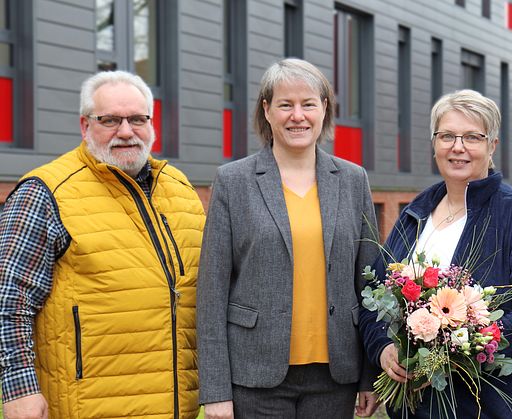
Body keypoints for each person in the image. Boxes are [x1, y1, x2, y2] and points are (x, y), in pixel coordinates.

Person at [0, 70, 206, 418]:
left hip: (176, 407)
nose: (126, 132)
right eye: (110, 120)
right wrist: (20, 390)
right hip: (90, 405)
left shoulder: (181, 189)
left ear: (151, 123)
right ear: (85, 126)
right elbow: (9, 300)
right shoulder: (45, 191)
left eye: (137, 119)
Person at [359, 89, 512, 418]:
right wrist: (383, 349)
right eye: (447, 136)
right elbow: (374, 296)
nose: (458, 147)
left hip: (493, 406)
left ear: (492, 146)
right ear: (434, 143)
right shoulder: (416, 213)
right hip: (417, 407)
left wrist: (465, 345)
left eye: (472, 136)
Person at [197, 58, 380, 419]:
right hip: (255, 375)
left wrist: (368, 377)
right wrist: (215, 390)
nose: (298, 115)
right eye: (285, 104)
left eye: (308, 104)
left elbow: (369, 283)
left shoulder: (353, 179)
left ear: (324, 109)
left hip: (335, 375)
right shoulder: (234, 181)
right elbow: (211, 293)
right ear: (267, 110)